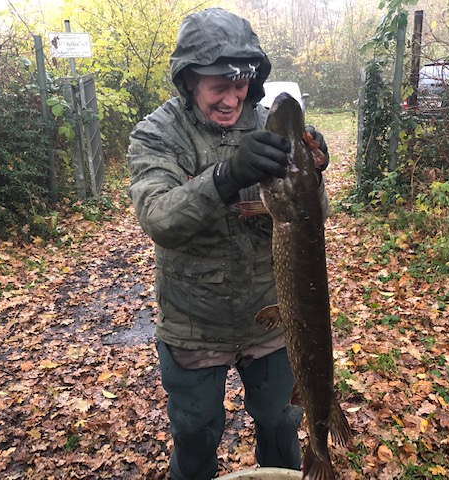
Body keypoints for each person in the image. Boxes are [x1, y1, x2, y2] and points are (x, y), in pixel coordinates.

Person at [127, 8, 329, 480]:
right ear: (189, 80)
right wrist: (226, 175)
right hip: (194, 324)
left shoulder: (269, 126)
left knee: (281, 426)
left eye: (241, 85)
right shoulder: (158, 134)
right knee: (195, 434)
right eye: (219, 85)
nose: (232, 97)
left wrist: (312, 173)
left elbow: (311, 217)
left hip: (272, 317)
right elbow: (159, 217)